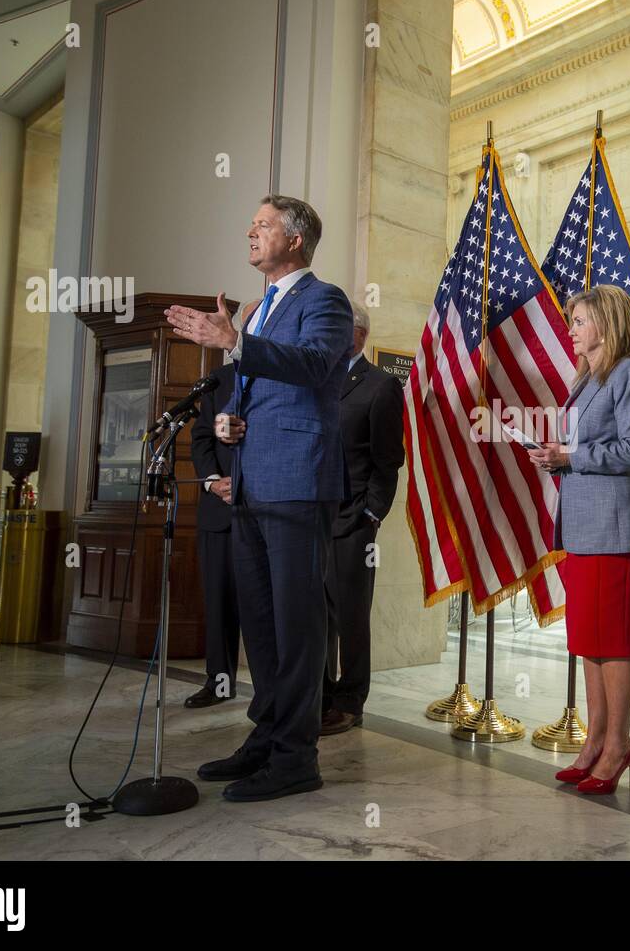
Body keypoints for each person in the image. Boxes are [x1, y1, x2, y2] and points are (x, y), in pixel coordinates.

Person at [165, 194, 352, 803]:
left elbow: (318, 365)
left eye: (263, 224)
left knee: (298, 625)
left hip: (298, 482)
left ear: (295, 239)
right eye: (251, 224)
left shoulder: (324, 299)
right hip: (248, 483)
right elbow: (260, 391)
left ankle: (297, 757)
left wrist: (236, 342)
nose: (251, 231)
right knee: (263, 625)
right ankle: (267, 736)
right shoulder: (261, 308)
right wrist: (230, 422)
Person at [528, 283, 630, 796]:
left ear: (606, 322)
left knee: (615, 641)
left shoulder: (628, 372)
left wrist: (570, 458)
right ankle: (595, 740)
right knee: (588, 640)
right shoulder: (587, 379)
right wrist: (556, 454)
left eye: (579, 321)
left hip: (614, 525)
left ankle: (619, 744)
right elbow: (589, 446)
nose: (572, 329)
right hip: (585, 525)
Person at [320, 301, 405, 735]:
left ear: (358, 334)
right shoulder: (318, 379)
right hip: (311, 517)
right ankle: (319, 697)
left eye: (337, 327)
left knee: (351, 616)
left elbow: (389, 460)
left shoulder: (380, 386)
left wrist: (371, 513)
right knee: (317, 616)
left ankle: (350, 702)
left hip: (353, 519)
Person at [185, 361, 240, 709]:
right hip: (219, 510)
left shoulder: (286, 369)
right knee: (218, 602)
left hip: (267, 511)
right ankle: (219, 682)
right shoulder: (218, 379)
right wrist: (211, 482)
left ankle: (276, 692)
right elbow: (201, 437)